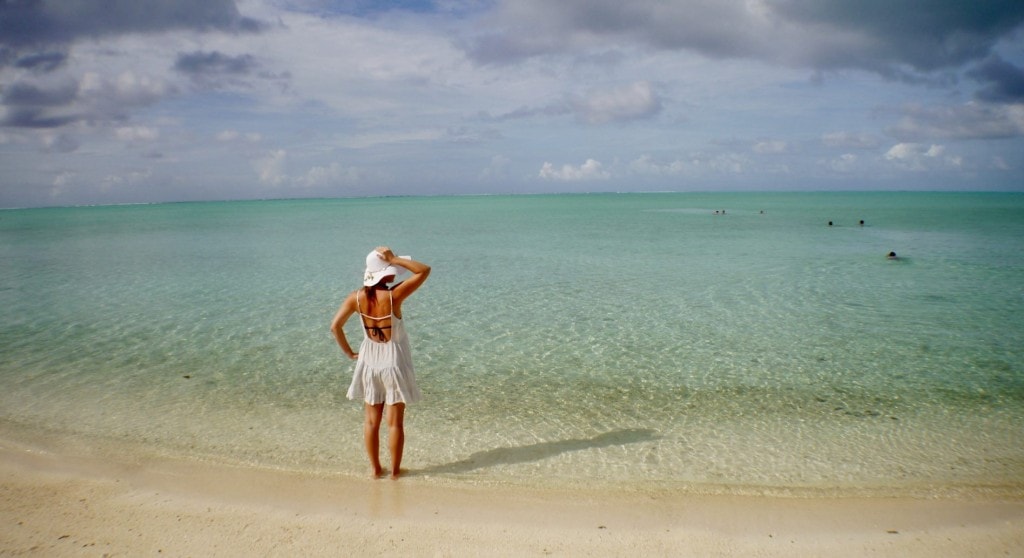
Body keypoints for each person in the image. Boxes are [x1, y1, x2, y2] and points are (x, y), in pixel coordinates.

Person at [331, 247, 431, 479]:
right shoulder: (394, 296)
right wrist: (394, 258)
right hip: (393, 361)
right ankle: (395, 473)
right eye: (392, 269)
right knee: (394, 424)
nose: (395, 273)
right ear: (384, 273)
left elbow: (335, 327)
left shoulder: (355, 298)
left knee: (371, 421)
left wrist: (349, 353)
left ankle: (376, 470)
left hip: (369, 361)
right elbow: (424, 271)